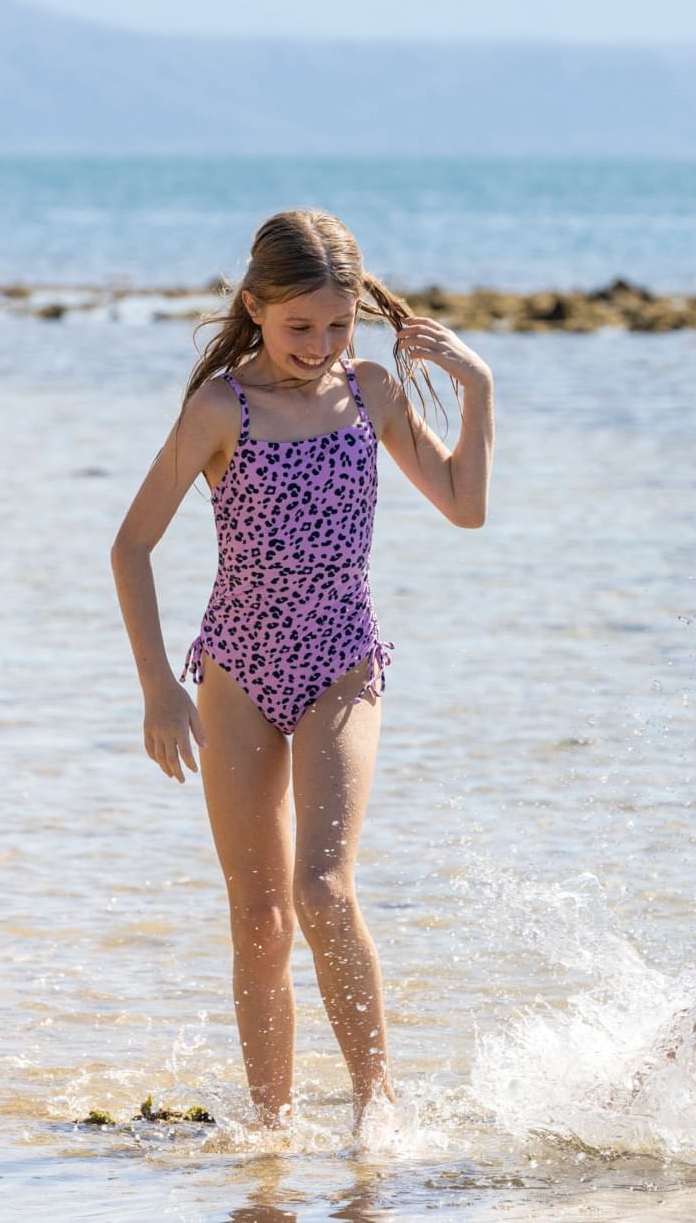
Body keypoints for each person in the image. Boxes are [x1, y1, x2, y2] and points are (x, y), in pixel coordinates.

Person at [109, 210, 494, 1129]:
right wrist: (159, 687)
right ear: (254, 307)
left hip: (340, 662)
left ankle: (376, 1106)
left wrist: (477, 387)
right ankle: (271, 1128)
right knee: (258, 917)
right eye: (298, 328)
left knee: (321, 889)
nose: (320, 346)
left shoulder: (370, 393)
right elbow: (129, 547)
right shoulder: (218, 410)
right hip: (236, 668)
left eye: (337, 326)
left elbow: (465, 508)